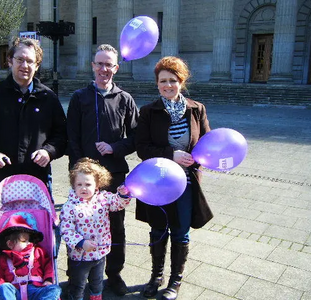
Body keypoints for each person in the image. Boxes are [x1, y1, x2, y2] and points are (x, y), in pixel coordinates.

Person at [135, 56, 214, 300]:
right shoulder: (149, 111)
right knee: (158, 229)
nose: (167, 85)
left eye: (173, 80)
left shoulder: (196, 109)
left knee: (180, 232)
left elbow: (207, 145)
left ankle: (174, 282)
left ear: (182, 81)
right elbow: (142, 148)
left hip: (187, 185)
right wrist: (171, 154)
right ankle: (155, 276)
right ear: (157, 83)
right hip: (157, 183)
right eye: (162, 81)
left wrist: (197, 159)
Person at [66, 44, 139, 296]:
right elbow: (71, 136)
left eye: (109, 65)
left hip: (114, 174)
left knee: (116, 226)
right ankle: (75, 274)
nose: (104, 69)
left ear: (116, 68)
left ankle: (114, 274)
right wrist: (78, 171)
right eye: (100, 64)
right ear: (92, 66)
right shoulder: (79, 97)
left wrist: (115, 147)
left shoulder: (125, 99)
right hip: (84, 179)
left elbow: (136, 137)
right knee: (78, 224)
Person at [0, 37, 67, 202]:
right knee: (5, 227)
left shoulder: (48, 98)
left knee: (37, 227)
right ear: (9, 61)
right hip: (2, 177)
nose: (24, 65)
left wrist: (48, 151)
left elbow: (61, 133)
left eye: (30, 61)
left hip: (37, 179)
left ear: (37, 65)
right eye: (20, 59)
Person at [59, 157, 133, 300]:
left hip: (100, 252)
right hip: (79, 256)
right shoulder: (70, 206)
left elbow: (117, 204)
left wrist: (122, 195)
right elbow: (66, 230)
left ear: (97, 185)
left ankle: (96, 296)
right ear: (73, 185)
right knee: (78, 284)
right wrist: (80, 242)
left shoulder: (103, 199)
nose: (83, 188)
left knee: (97, 281)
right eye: (79, 184)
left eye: (88, 184)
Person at [0, 213, 61, 300]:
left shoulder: (37, 251)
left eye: (29, 240)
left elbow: (48, 266)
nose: (29, 243)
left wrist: (48, 280)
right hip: (15, 291)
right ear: (10, 244)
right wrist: (0, 284)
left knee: (54, 289)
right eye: (24, 241)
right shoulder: (4, 258)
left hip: (36, 289)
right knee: (4, 288)